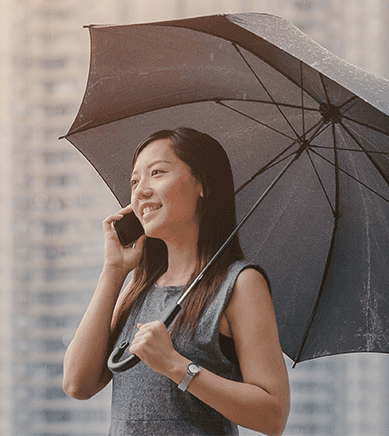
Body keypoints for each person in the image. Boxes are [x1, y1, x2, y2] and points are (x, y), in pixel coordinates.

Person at [63, 127, 290, 436]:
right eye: (134, 180)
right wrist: (113, 272)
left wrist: (174, 365)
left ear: (201, 185)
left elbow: (272, 415)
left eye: (156, 173)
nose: (140, 190)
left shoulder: (239, 284)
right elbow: (78, 383)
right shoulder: (139, 287)